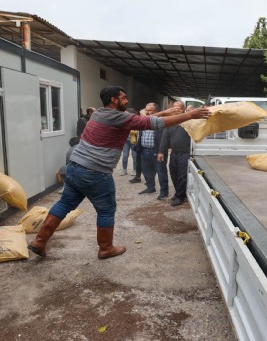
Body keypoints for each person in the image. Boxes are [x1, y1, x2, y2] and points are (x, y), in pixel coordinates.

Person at [28, 86, 210, 259]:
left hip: (74, 168)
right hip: (96, 172)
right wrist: (190, 114)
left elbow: (138, 121)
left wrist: (165, 112)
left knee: (64, 204)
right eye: (123, 97)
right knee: (106, 211)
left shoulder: (99, 113)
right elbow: (150, 123)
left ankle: (39, 241)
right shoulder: (119, 118)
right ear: (114, 100)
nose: (127, 100)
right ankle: (106, 249)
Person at [157, 101, 192, 206]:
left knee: (182, 175)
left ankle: (180, 197)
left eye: (179, 108)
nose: (176, 110)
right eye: (174, 108)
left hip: (185, 153)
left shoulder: (188, 120)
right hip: (174, 153)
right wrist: (161, 151)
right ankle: (179, 193)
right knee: (173, 173)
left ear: (183, 110)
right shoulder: (170, 122)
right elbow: (165, 138)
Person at [137, 102, 170, 200]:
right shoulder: (144, 121)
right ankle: (150, 187)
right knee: (146, 170)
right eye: (146, 110)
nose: (147, 112)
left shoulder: (161, 121)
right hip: (145, 150)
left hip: (157, 151)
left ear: (157, 111)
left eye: (150, 110)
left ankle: (164, 192)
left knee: (161, 171)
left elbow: (164, 139)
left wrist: (161, 151)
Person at [120, 108, 139, 176]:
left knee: (134, 156)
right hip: (126, 141)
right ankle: (124, 169)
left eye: (126, 113)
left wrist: (130, 131)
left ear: (132, 113)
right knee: (125, 155)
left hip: (134, 140)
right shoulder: (123, 121)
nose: (125, 114)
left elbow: (139, 132)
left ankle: (135, 170)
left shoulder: (137, 120)